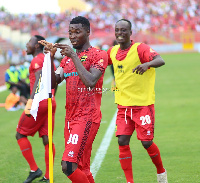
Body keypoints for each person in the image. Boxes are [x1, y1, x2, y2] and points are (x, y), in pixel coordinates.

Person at [40, 16, 108, 183]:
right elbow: (52, 83)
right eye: (70, 32)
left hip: (87, 117)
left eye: (77, 32)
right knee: (82, 167)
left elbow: (91, 82)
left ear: (88, 32)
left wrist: (74, 57)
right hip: (70, 118)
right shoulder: (66, 59)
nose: (72, 36)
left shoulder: (99, 54)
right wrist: (49, 58)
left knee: (68, 165)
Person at [107, 19, 168, 183]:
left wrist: (147, 64)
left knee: (147, 142)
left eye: (123, 30)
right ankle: (129, 181)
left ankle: (161, 172)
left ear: (130, 32)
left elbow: (160, 60)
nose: (120, 33)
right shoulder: (112, 51)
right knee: (122, 141)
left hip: (143, 105)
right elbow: (97, 64)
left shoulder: (140, 48)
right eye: (117, 30)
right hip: (123, 106)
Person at [15, 35, 57, 183]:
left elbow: (39, 78)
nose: (27, 45)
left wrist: (31, 101)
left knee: (20, 134)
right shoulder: (47, 59)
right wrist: (51, 97)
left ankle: (34, 169)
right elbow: (54, 80)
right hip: (50, 101)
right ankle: (48, 175)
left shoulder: (37, 60)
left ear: (37, 45)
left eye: (29, 42)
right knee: (47, 139)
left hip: (39, 103)